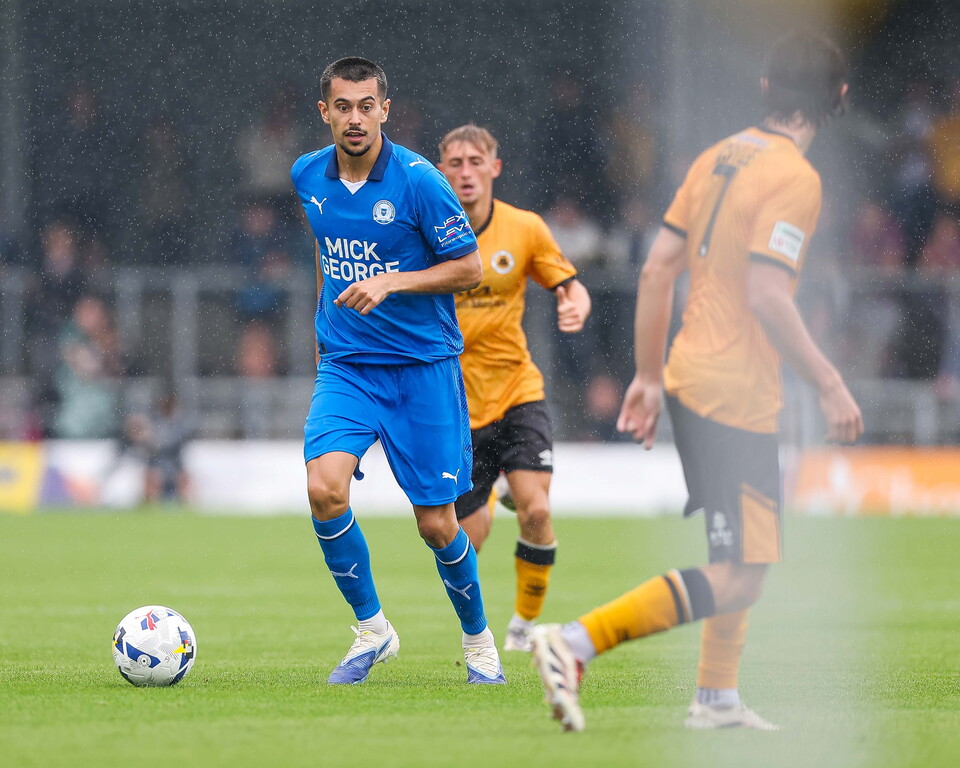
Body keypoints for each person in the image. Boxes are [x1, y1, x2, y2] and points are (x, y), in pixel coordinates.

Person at [531, 32, 864, 732]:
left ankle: (716, 697)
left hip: (690, 373)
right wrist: (831, 383)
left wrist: (649, 377)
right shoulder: (797, 179)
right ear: (836, 99)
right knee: (743, 569)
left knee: (743, 555)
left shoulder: (719, 156)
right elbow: (771, 295)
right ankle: (575, 641)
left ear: (768, 89)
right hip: (732, 390)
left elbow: (657, 269)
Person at [290, 58, 505, 685]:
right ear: (324, 113)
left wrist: (393, 282)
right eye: (342, 106)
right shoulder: (307, 175)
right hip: (349, 367)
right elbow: (330, 251)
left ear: (385, 109)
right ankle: (372, 631)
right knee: (324, 488)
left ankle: (479, 645)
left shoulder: (420, 182)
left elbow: (469, 269)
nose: (354, 118)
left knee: (437, 524)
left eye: (366, 105)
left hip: (423, 371)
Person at [437, 125, 591, 652]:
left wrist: (575, 303)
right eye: (454, 162)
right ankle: (473, 631)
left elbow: (569, 284)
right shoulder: (425, 235)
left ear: (494, 169)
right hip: (455, 404)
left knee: (538, 510)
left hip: (517, 390)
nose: (465, 171)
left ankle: (523, 627)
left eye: (475, 161)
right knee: (464, 540)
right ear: (441, 171)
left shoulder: (524, 228)